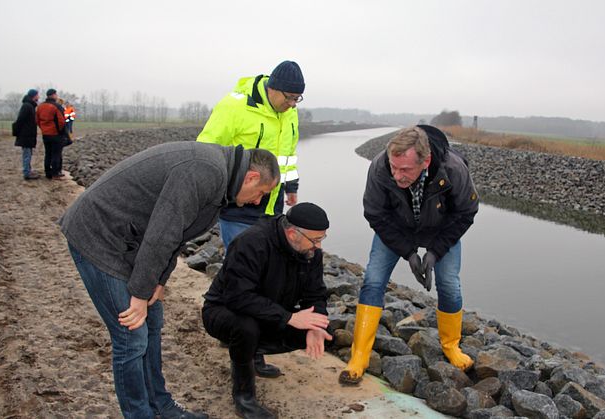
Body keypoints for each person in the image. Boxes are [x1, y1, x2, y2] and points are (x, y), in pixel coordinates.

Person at [59, 141, 280, 419]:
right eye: (260, 193)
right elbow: (162, 234)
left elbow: (178, 234)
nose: (258, 201)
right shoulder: (204, 171)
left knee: (152, 322)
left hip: (130, 241)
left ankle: (162, 406)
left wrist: (159, 281)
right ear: (252, 177)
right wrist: (139, 295)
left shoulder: (220, 180)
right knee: (131, 337)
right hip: (99, 235)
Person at [339, 125, 480, 385]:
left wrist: (435, 252)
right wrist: (409, 253)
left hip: (440, 230)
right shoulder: (381, 167)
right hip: (396, 227)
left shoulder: (453, 169)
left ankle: (451, 347)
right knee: (373, 280)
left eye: (405, 170)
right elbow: (375, 213)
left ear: (425, 161)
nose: (397, 175)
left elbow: (466, 212)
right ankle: (359, 356)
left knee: (449, 284)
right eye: (394, 167)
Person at [202, 203, 332, 419]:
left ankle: (254, 353)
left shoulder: (310, 253)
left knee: (325, 333)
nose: (318, 247)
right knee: (247, 328)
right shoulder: (251, 243)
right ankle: (244, 396)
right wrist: (289, 317)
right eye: (315, 240)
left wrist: (316, 325)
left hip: (269, 311)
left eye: (322, 239)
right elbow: (238, 297)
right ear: (292, 233)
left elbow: (316, 294)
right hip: (222, 310)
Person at [197, 60, 305, 246]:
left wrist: (291, 187)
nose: (293, 104)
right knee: (242, 264)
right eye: (290, 97)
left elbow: (288, 154)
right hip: (239, 207)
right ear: (273, 88)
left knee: (265, 264)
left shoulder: (289, 113)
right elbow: (206, 150)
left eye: (297, 98)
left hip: (273, 207)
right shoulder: (234, 106)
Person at [35, 88, 66, 179]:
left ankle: (47, 172)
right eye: (56, 94)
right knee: (56, 154)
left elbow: (37, 120)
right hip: (55, 134)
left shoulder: (40, 106)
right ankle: (55, 173)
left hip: (45, 133)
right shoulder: (56, 106)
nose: (57, 96)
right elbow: (61, 122)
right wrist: (60, 132)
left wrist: (43, 128)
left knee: (48, 153)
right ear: (53, 95)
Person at [13, 89, 40, 180]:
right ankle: (27, 173)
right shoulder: (27, 106)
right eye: (37, 95)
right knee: (27, 154)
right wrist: (18, 132)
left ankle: (28, 170)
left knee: (28, 153)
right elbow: (20, 120)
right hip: (26, 135)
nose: (38, 97)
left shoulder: (29, 106)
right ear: (34, 96)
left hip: (28, 134)